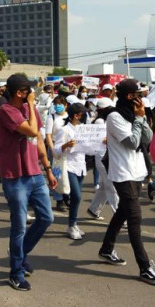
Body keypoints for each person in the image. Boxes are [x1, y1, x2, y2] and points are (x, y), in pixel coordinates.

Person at [97, 79, 155, 286]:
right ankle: (145, 267)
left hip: (137, 171)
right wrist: (138, 119)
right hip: (122, 173)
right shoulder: (114, 117)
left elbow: (148, 138)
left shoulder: (134, 115)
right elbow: (133, 142)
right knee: (134, 218)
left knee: (124, 213)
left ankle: (106, 249)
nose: (141, 98)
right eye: (138, 94)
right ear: (128, 96)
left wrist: (142, 118)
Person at [0, 73, 57, 291]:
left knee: (47, 217)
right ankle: (16, 272)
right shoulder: (6, 111)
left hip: (35, 174)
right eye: (27, 91)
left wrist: (47, 168)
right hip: (15, 178)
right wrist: (31, 106)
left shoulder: (27, 109)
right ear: (19, 93)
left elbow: (37, 138)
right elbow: (31, 130)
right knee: (19, 225)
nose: (31, 94)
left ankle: (19, 253)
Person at [53, 103, 88, 240]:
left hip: (81, 166)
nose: (85, 117)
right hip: (69, 166)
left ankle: (73, 224)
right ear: (76, 115)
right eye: (83, 114)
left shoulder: (83, 129)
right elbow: (56, 151)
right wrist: (65, 145)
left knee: (76, 198)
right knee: (77, 196)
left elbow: (89, 146)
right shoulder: (65, 130)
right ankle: (72, 224)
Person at [87, 97, 118, 219]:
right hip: (102, 156)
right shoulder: (100, 121)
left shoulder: (105, 120)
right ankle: (120, 216)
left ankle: (94, 209)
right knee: (112, 187)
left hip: (107, 155)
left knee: (105, 186)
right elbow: (100, 139)